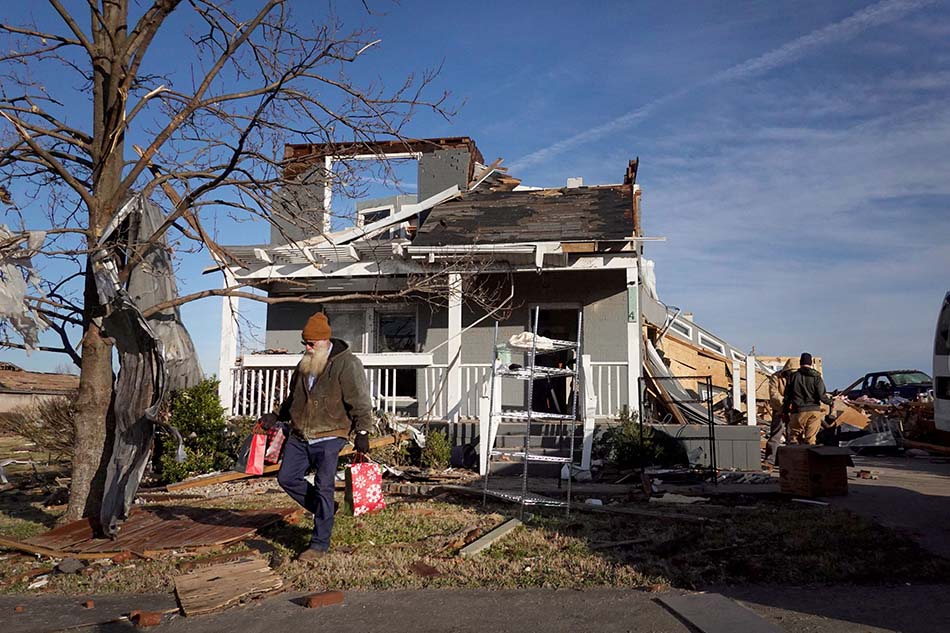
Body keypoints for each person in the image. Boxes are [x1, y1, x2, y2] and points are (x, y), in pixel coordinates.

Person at [276, 312, 373, 561]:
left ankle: (318, 545)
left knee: (323, 486)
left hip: (331, 433)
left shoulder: (346, 363)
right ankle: (325, 509)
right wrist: (276, 416)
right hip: (301, 434)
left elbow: (360, 401)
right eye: (305, 344)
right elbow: (293, 399)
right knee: (287, 478)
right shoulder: (304, 364)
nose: (308, 348)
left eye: (312, 344)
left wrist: (363, 431)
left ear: (325, 340)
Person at [782, 352, 833, 445]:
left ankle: (794, 457)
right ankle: (810, 458)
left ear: (800, 363)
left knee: (794, 439)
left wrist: (785, 411)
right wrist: (830, 402)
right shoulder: (817, 377)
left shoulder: (793, 377)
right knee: (810, 440)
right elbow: (822, 396)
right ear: (811, 363)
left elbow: (787, 397)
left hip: (797, 412)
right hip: (814, 411)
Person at [765, 359, 798, 465]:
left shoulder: (798, 378)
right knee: (775, 435)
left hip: (794, 411)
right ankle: (770, 460)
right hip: (779, 409)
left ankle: (791, 460)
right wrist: (785, 405)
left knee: (792, 436)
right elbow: (774, 394)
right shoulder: (776, 377)